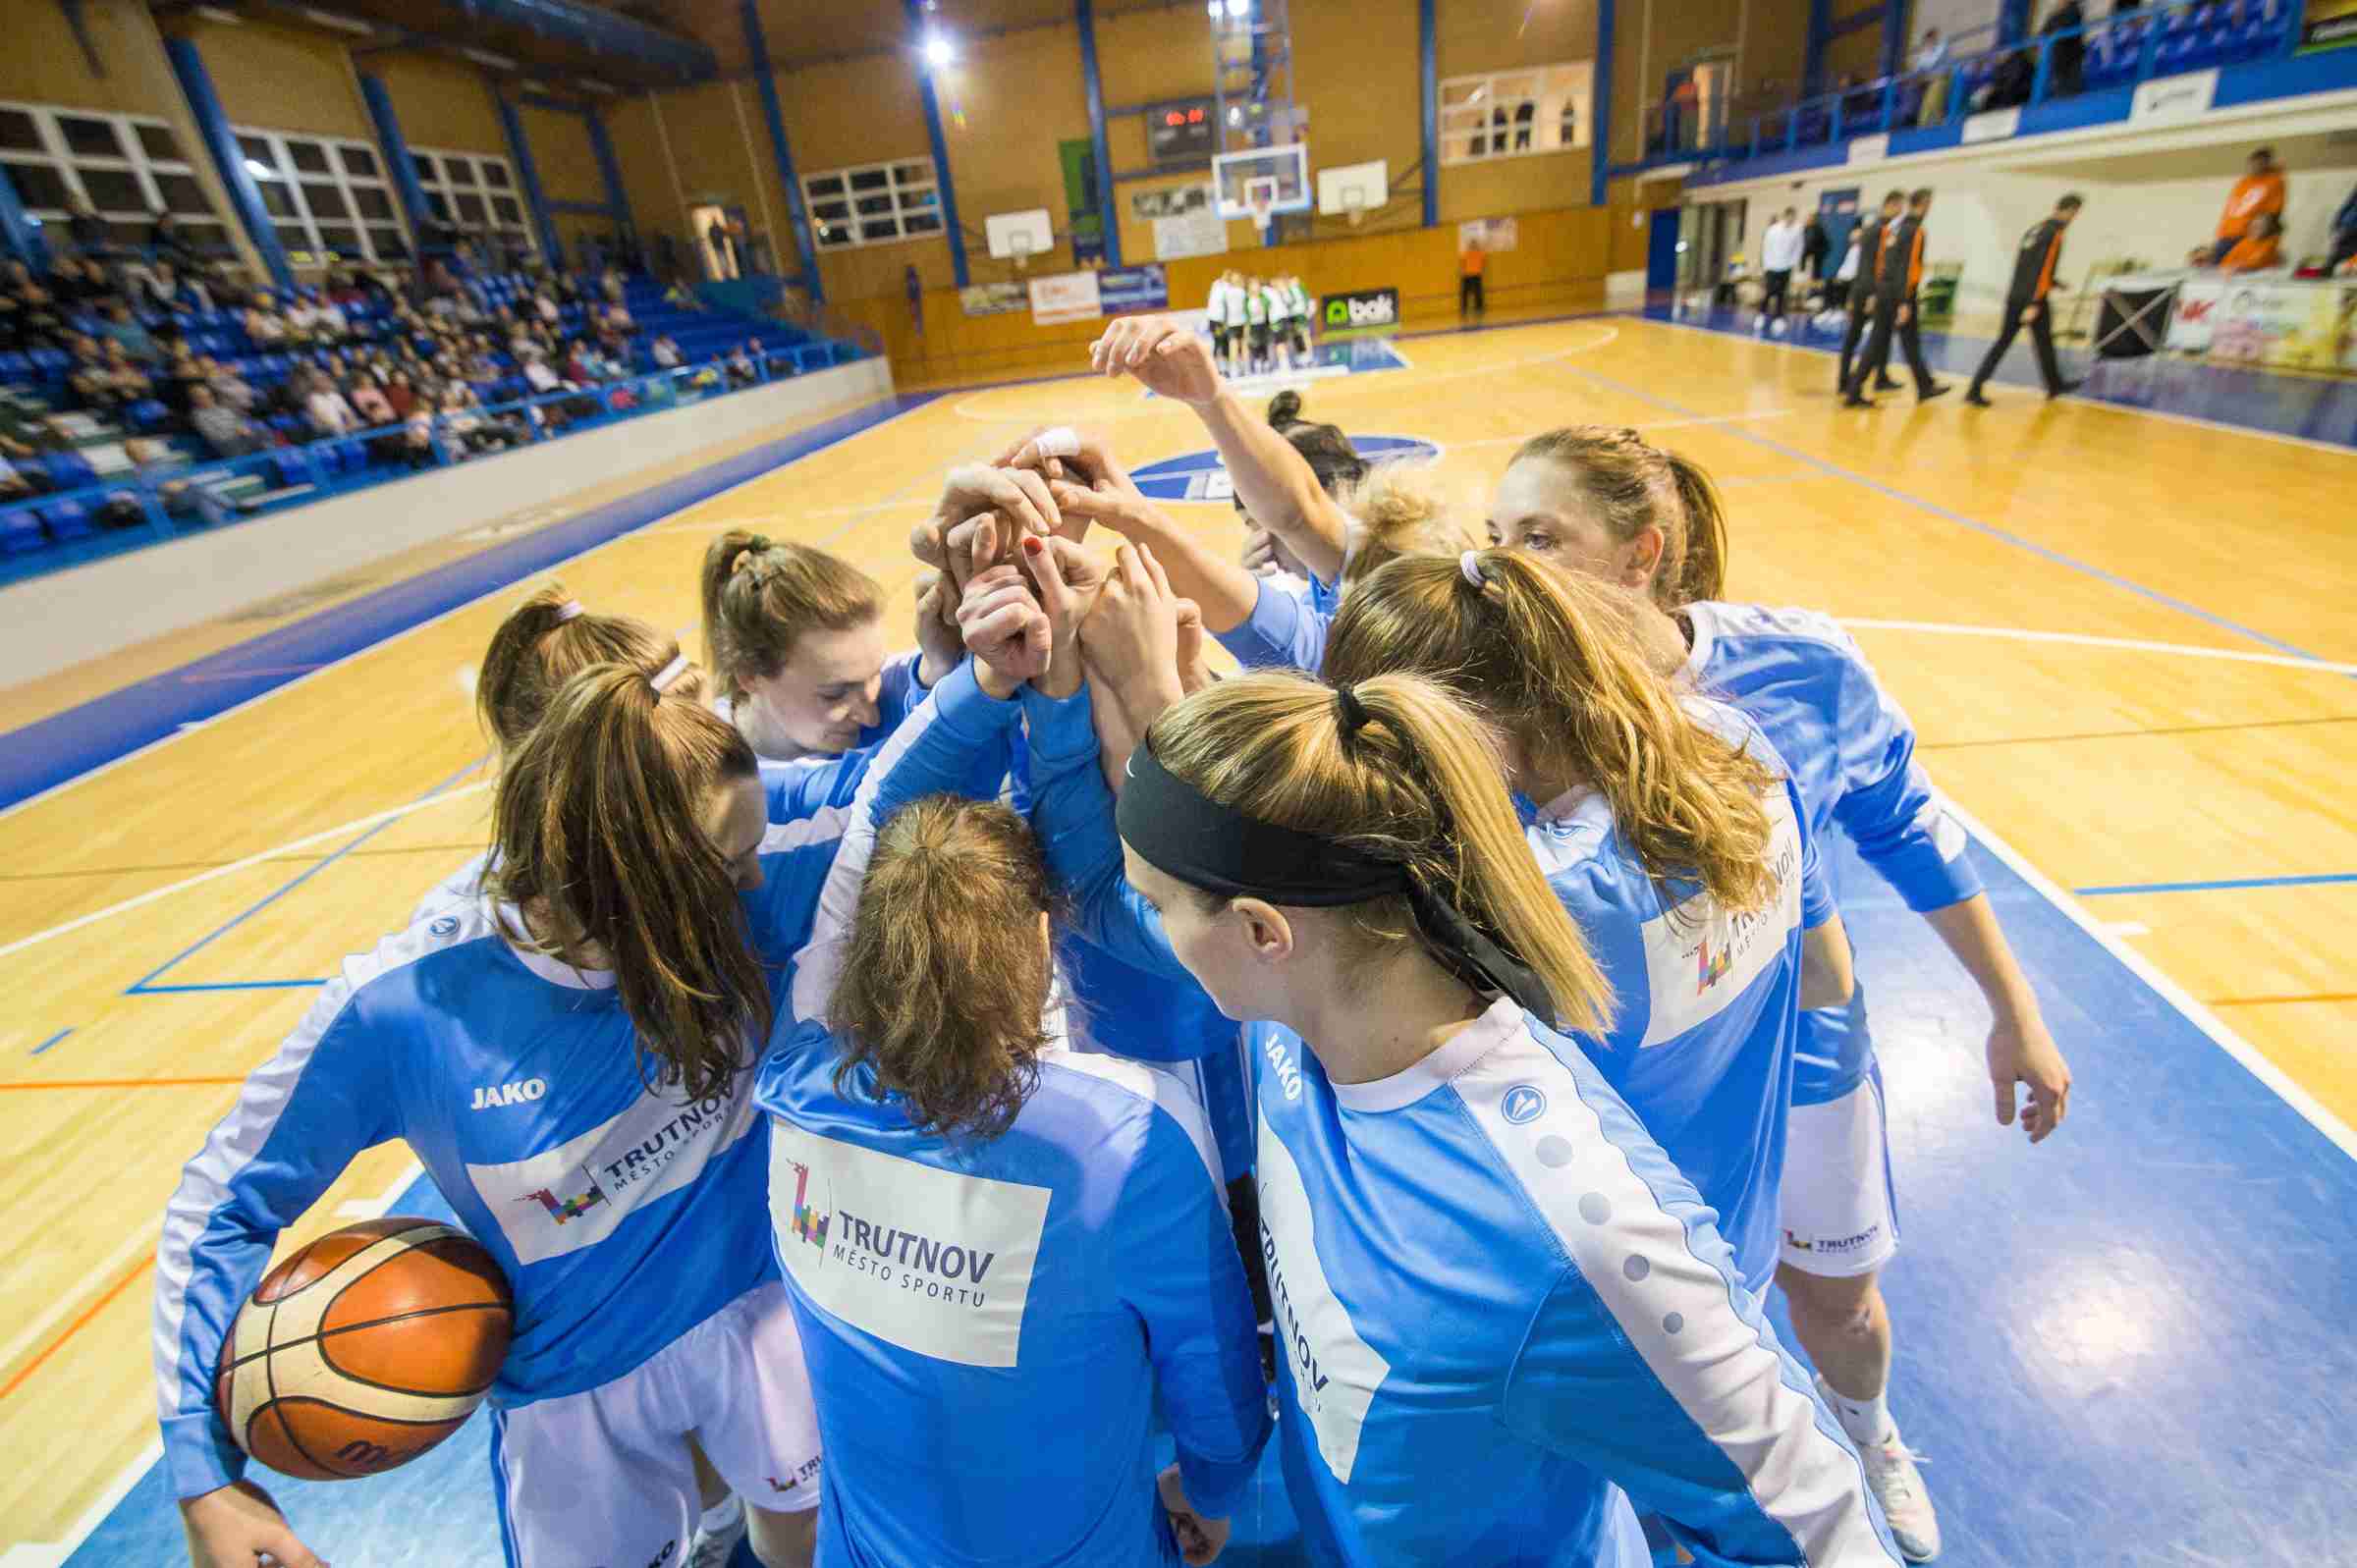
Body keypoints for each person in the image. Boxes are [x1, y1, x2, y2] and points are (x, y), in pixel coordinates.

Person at [1024, 578, 1901, 1567]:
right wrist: (1063, 688)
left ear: (1263, 929)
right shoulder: (1291, 1011)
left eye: (1165, 906)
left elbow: (1829, 1531)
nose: (1152, 922)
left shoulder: (1574, 1228)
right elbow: (1109, 890)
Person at [155, 645, 1029, 1568]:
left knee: (813, 1544)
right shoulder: (405, 1010)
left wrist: (983, 671)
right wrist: (204, 1478)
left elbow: (896, 795)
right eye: (727, 866)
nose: (754, 881)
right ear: (633, 886)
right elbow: (224, 1201)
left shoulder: (747, 859)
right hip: (574, 1384)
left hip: (755, 1301)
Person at [751, 558, 1270, 1568]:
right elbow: (1215, 1386)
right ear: (1040, 937)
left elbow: (874, 825)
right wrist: (1212, 1491)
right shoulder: (1121, 1137)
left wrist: (983, 683)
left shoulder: (797, 1079)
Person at [700, 530, 955, 764]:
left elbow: (923, 673)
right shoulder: (709, 771)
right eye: (834, 694)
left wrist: (941, 664)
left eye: (875, 674)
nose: (871, 717)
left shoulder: (877, 683)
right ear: (750, 676)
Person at [1966, 193, 2085, 405]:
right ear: (2068, 210)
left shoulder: (2035, 230)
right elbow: (2041, 268)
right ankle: (1975, 390)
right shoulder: (2054, 233)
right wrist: (2034, 302)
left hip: (2017, 295)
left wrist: (2054, 282)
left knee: (2037, 341)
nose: (2074, 219)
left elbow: (2027, 266)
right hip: (2033, 299)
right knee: (2018, 342)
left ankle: (2054, 385)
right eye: (2074, 214)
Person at [1842, 189, 1947, 408]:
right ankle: (1922, 386)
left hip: (1884, 291)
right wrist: (1905, 301)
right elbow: (1908, 269)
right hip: (1899, 294)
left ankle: (1923, 385)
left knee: (1895, 341)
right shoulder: (1915, 231)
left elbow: (1885, 264)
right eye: (1929, 204)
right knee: (1898, 341)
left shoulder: (1894, 229)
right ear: (1924, 204)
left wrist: (1879, 292)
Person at [1837, 191, 1906, 395]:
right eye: (1899, 206)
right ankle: (1847, 382)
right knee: (1859, 336)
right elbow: (1870, 266)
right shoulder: (1878, 231)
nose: (1901, 211)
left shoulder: (1876, 230)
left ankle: (1877, 377)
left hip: (1864, 289)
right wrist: (1872, 295)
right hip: (1868, 291)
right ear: (1890, 205)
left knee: (1880, 335)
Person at [2211, 147, 2284, 264]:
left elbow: (2273, 213)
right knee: (2215, 268)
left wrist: (2260, 235)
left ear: (2267, 164)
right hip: (2226, 234)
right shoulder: (2242, 183)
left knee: (2240, 269)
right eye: (2252, 162)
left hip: (2246, 237)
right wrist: (2222, 230)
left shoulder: (2274, 182)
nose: (2254, 166)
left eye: (2259, 162)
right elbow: (2231, 209)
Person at [1759, 207, 1805, 334]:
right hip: (1771, 266)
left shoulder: (1797, 230)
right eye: (1789, 217)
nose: (1791, 220)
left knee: (1781, 293)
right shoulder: (1772, 230)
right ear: (1785, 216)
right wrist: (1766, 266)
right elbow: (1766, 247)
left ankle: (1778, 318)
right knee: (1769, 292)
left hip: (1786, 267)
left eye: (1793, 218)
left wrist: (1793, 263)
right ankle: (1761, 314)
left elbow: (1799, 247)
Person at [2040, 0, 2086, 98]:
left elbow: (2065, 27)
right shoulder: (2054, 15)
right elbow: (2043, 33)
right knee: (2058, 89)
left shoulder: (2073, 10)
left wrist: (2053, 33)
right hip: (2057, 59)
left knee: (2070, 90)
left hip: (2071, 58)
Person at [2219, 210, 2284, 273]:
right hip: (2239, 273)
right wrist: (2226, 267)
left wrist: (2237, 267)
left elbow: (2256, 261)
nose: (2254, 228)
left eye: (2260, 226)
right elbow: (2227, 261)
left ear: (2269, 229)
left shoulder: (2270, 242)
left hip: (2261, 273)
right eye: (2253, 225)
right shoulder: (2245, 242)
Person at [1912, 29, 1950, 124]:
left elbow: (1932, 63)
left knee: (1933, 103)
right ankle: (1922, 127)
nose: (1928, 44)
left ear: (1934, 39)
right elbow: (1917, 69)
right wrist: (1925, 53)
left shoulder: (1942, 47)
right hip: (1930, 82)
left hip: (1942, 79)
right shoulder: (1926, 52)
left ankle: (1939, 123)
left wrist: (1927, 53)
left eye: (1930, 40)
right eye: (1927, 42)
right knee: (1925, 109)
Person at [2330, 181, 2357, 272]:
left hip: (2348, 224)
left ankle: (2330, 267)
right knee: (2341, 252)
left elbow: (2348, 204)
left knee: (2340, 253)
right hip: (2350, 225)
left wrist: (2337, 222)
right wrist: (2337, 223)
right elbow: (2348, 204)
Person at [1459, 237, 1488, 319]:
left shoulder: (1480, 253)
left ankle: (1479, 308)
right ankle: (1464, 309)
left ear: (1477, 245)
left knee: (1478, 293)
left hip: (1476, 275)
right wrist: (1462, 272)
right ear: (1469, 245)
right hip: (1467, 275)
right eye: (1471, 244)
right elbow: (1462, 263)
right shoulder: (1466, 253)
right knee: (1465, 293)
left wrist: (1482, 270)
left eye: (1474, 244)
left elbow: (1483, 263)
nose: (1473, 245)